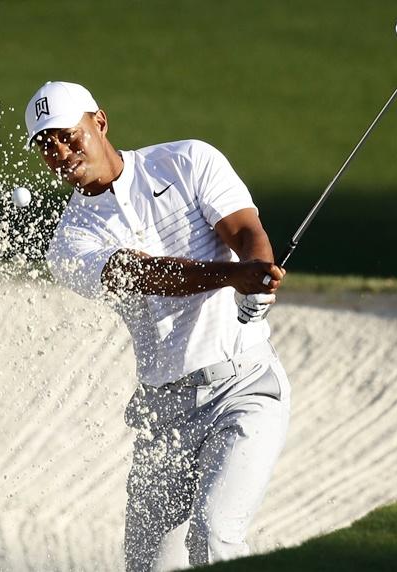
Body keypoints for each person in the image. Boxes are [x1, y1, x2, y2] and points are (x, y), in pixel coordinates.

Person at [25, 81, 291, 571]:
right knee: (146, 565)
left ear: (99, 122)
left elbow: (245, 230)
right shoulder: (70, 242)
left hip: (243, 387)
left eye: (68, 135)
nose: (60, 152)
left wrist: (257, 278)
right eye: (46, 145)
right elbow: (145, 275)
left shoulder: (188, 161)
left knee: (215, 535)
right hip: (163, 415)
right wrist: (234, 276)